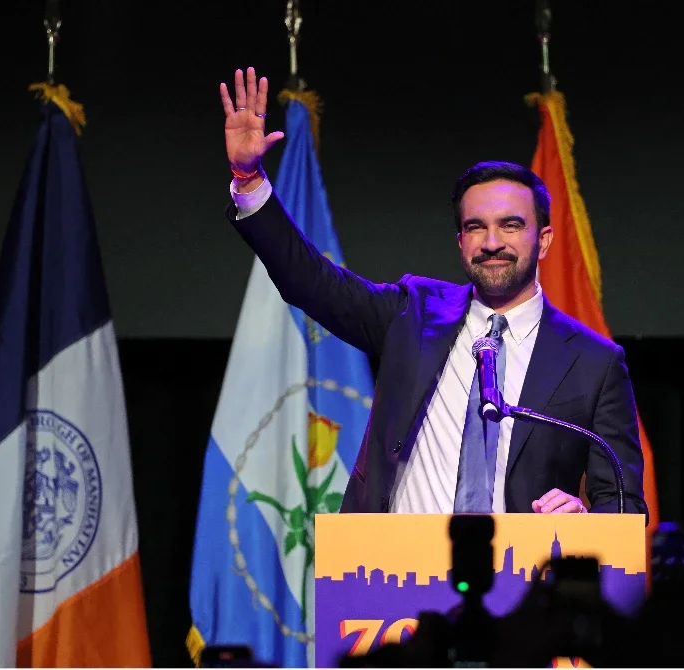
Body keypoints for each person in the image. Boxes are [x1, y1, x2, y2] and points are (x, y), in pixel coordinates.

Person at [218, 67, 647, 517]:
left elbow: (624, 505)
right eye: (475, 227)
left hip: (521, 562)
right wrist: (249, 182)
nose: (492, 242)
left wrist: (583, 521)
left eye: (510, 225)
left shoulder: (594, 363)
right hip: (394, 558)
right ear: (461, 242)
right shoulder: (413, 314)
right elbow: (312, 282)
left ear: (543, 241)